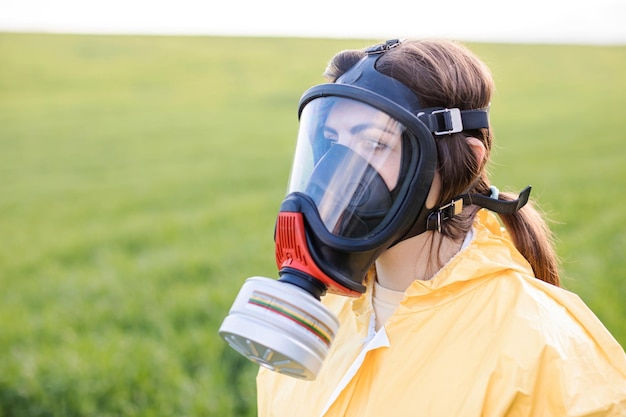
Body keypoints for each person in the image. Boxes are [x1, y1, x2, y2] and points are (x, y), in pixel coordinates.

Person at [252, 39, 626, 416]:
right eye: (332, 140)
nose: (336, 170)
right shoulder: (317, 322)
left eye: (373, 142)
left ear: (461, 165)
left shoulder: (543, 350)